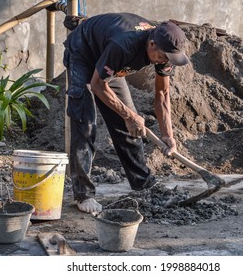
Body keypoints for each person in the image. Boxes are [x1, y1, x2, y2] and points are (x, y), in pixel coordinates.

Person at [63, 12, 189, 214]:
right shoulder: (124, 45)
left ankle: (142, 183)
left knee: (129, 126)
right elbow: (97, 85)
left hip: (110, 64)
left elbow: (163, 94)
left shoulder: (165, 53)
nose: (165, 62)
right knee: (84, 123)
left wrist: (168, 135)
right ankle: (83, 194)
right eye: (164, 57)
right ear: (152, 45)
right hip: (83, 52)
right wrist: (130, 116)